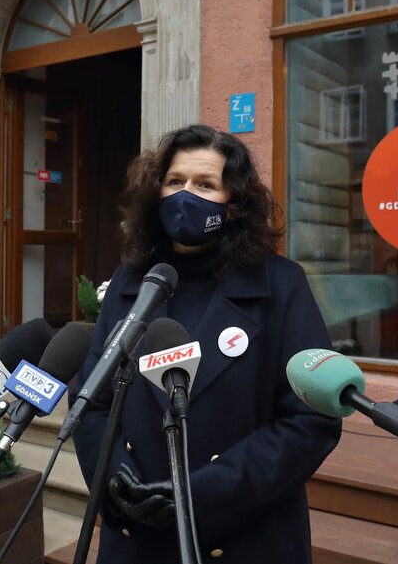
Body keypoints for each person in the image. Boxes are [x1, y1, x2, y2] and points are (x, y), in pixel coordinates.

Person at [71, 125, 343, 563]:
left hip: (241, 536)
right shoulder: (131, 282)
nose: (185, 196)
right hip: (137, 536)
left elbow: (310, 423)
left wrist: (196, 495)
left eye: (205, 185)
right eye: (175, 182)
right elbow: (93, 402)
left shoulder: (282, 284)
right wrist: (117, 481)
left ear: (233, 204)